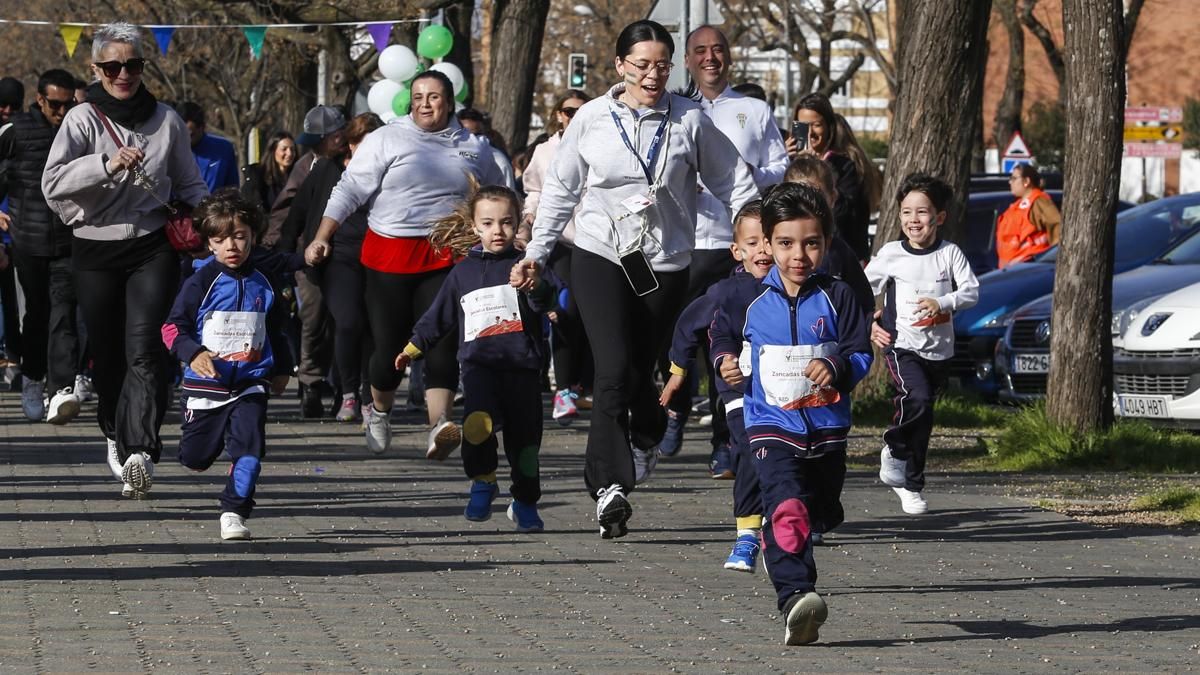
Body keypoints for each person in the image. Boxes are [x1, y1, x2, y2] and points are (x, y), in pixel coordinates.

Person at [511, 19, 757, 539]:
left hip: (663, 263)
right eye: (641, 65)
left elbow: (735, 182)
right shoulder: (593, 118)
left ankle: (648, 431)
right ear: (620, 65)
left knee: (640, 370)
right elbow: (560, 190)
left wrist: (756, 236)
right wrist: (536, 252)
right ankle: (609, 487)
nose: (652, 75)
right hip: (600, 252)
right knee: (612, 369)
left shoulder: (689, 119)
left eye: (662, 66)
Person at [305, 70, 511, 457]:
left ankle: (439, 426)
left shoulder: (474, 147)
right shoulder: (387, 138)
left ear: (449, 101)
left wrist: (512, 236)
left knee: (442, 345)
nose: (425, 104)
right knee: (390, 350)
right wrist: (322, 236)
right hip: (390, 254)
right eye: (418, 97)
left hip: (445, 254)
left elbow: (498, 196)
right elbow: (350, 189)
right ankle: (380, 411)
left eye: (433, 96)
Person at [42, 21, 208, 498]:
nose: (123, 74)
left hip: (151, 245)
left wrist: (209, 223)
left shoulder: (167, 120)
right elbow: (52, 183)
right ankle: (116, 433)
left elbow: (190, 183)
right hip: (94, 246)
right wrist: (106, 164)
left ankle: (141, 450)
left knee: (145, 348)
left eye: (132, 65)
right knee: (110, 353)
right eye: (112, 67)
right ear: (95, 69)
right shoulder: (82, 119)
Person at [710, 182, 872, 645]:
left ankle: (791, 537)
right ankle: (797, 596)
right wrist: (724, 361)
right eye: (785, 243)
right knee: (787, 507)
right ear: (766, 242)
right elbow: (721, 335)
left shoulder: (838, 296)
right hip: (770, 424)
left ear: (826, 242)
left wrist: (837, 366)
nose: (798, 255)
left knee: (819, 509)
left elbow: (861, 352)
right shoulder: (746, 298)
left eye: (811, 243)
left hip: (826, 428)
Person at [660, 24, 788, 467]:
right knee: (678, 335)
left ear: (729, 57)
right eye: (700, 51)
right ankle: (675, 410)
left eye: (717, 49)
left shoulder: (753, 110)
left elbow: (779, 166)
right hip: (682, 242)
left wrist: (749, 174)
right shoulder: (673, 110)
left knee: (728, 343)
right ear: (687, 60)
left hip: (736, 247)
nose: (709, 57)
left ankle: (724, 441)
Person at [395, 185, 558, 532]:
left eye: (507, 222)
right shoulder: (462, 273)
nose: (498, 231)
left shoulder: (527, 265)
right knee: (476, 425)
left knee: (526, 447)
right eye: (488, 223)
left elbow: (548, 297)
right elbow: (438, 316)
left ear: (518, 222)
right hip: (479, 368)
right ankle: (483, 480)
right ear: (474, 226)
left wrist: (538, 289)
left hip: (523, 370)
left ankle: (525, 501)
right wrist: (412, 348)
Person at [162, 189, 293, 540]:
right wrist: (193, 353)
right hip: (206, 385)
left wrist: (283, 368)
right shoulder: (200, 281)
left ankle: (233, 511)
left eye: (239, 236)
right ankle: (209, 442)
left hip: (250, 383)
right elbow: (172, 328)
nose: (231, 246)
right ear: (209, 243)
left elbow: (276, 328)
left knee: (250, 451)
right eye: (220, 240)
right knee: (195, 459)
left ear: (253, 237)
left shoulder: (265, 281)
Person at [660, 199, 771, 572]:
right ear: (737, 251)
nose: (763, 250)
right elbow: (687, 326)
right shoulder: (725, 292)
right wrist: (678, 370)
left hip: (785, 392)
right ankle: (747, 535)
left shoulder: (796, 288)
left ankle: (786, 519)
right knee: (750, 450)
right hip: (738, 391)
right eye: (753, 243)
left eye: (771, 241)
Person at [865, 173, 979, 515]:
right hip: (902, 345)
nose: (913, 220)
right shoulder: (891, 254)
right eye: (906, 212)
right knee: (918, 398)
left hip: (939, 351)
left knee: (924, 415)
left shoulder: (949, 254)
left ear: (939, 217)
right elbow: (861, 289)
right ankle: (894, 449)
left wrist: (942, 303)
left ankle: (911, 485)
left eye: (922, 212)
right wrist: (869, 324)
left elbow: (971, 292)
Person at [278, 113, 383, 422]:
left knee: (373, 329)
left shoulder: (389, 172)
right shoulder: (327, 169)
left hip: (378, 258)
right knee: (347, 322)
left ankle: (367, 396)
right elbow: (297, 213)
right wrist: (284, 259)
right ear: (350, 143)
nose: (367, 149)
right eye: (361, 142)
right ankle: (347, 392)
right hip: (336, 258)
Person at [0, 68, 84, 424]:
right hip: (28, 241)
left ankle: (61, 388)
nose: (61, 112)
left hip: (69, 241)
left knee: (64, 313)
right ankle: (33, 380)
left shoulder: (81, 129)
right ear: (39, 99)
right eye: (54, 105)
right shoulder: (15, 131)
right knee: (36, 314)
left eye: (68, 104)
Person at [521, 88, 592, 425]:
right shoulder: (545, 151)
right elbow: (534, 190)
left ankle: (584, 384)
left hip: (597, 242)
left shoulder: (601, 142)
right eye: (568, 111)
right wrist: (530, 217)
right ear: (558, 116)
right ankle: (563, 389)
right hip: (561, 242)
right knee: (563, 312)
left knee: (592, 315)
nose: (574, 117)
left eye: (581, 110)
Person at [272, 105, 348, 417]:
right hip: (311, 259)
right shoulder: (309, 166)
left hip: (349, 256)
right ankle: (311, 383)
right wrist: (286, 256)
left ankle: (345, 388)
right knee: (313, 321)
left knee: (346, 324)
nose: (315, 148)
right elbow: (292, 213)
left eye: (320, 141)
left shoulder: (359, 164)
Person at [786, 93, 879, 261]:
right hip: (801, 254)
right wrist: (783, 161)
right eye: (803, 126)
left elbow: (843, 212)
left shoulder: (844, 165)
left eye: (816, 125)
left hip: (840, 255)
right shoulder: (790, 164)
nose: (810, 133)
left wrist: (819, 170)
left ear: (829, 126)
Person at [996, 163, 1061, 268]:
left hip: (1030, 266)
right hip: (1011, 269)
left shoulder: (1039, 202)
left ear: (1026, 181)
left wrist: (1050, 260)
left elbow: (1057, 229)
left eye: (1014, 178)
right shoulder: (1017, 206)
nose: (1010, 182)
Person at [178, 101, 240, 192]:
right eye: (182, 134)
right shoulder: (170, 151)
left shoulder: (223, 149)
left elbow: (232, 188)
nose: (186, 139)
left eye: (191, 135)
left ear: (202, 127)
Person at [240, 131, 296, 214]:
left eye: (292, 149)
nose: (289, 153)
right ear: (273, 150)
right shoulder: (258, 177)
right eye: (284, 149)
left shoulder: (298, 177)